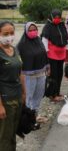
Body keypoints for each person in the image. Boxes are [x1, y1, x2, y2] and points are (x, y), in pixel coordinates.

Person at [17, 22, 49, 128]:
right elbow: (17, 61)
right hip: (28, 76)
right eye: (30, 30)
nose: (33, 32)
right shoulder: (21, 45)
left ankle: (34, 116)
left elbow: (44, 53)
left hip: (41, 74)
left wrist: (48, 66)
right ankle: (27, 121)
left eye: (34, 29)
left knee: (38, 96)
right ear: (26, 31)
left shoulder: (39, 40)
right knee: (28, 98)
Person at [0, 21, 26, 150]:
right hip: (5, 100)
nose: (9, 36)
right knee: (4, 134)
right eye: (6, 33)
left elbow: (20, 72)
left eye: (11, 33)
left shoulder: (14, 49)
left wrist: (24, 93)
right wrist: (0, 106)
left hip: (17, 97)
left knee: (13, 132)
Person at [41, 9, 68, 103]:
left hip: (61, 54)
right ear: (52, 17)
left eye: (59, 17)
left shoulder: (62, 25)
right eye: (55, 17)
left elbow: (65, 38)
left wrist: (67, 51)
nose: (57, 19)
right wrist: (46, 54)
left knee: (60, 74)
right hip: (51, 55)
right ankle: (52, 95)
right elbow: (44, 40)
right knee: (54, 75)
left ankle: (57, 92)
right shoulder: (48, 27)